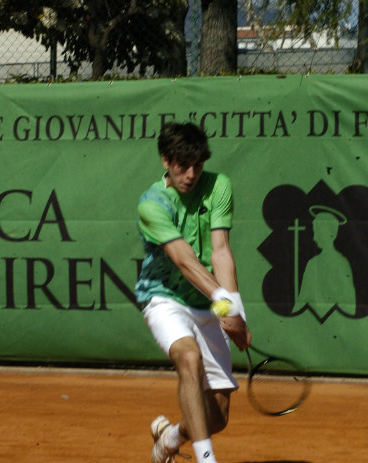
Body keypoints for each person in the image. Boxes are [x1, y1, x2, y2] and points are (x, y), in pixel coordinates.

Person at [135, 121, 251, 463]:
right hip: (163, 298)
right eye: (182, 165)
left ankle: (170, 439)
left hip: (207, 303)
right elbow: (184, 260)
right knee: (189, 357)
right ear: (165, 162)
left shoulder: (219, 187)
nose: (190, 173)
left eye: (197, 165)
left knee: (217, 417)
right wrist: (225, 305)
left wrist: (234, 312)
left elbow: (220, 252)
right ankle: (205, 459)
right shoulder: (151, 203)